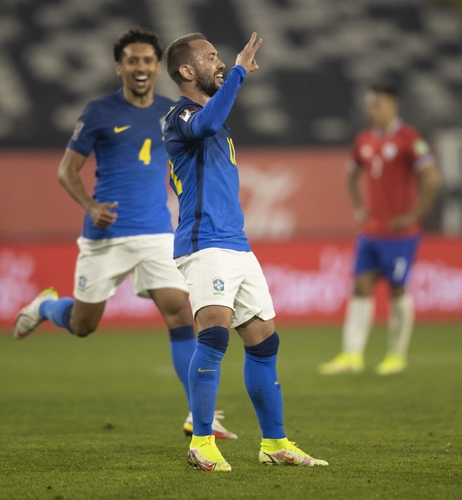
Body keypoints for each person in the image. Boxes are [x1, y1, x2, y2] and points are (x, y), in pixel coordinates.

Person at [11, 27, 236, 440]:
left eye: (148, 60)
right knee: (83, 325)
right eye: (132, 60)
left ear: (156, 67)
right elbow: (66, 172)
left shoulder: (174, 111)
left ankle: (198, 414)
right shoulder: (98, 112)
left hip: (155, 232)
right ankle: (46, 307)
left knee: (180, 315)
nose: (141, 67)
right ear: (120, 67)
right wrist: (92, 207)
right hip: (107, 235)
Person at [162, 32, 328, 472]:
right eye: (210, 57)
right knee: (214, 335)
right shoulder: (179, 116)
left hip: (236, 244)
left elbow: (215, 121)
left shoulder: (213, 115)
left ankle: (274, 443)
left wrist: (233, 75)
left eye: (220, 57)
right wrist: (237, 72)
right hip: (204, 244)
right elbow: (207, 124)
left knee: (263, 340)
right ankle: (201, 441)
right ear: (185, 70)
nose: (219, 62)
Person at [318, 82, 441, 376]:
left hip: (400, 234)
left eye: (377, 104)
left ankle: (396, 356)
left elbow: (432, 179)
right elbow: (351, 175)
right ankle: (351, 355)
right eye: (370, 105)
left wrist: (413, 215)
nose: (372, 110)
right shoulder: (363, 140)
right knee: (360, 286)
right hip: (371, 232)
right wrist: (359, 208)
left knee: (398, 289)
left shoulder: (410, 139)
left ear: (393, 106)